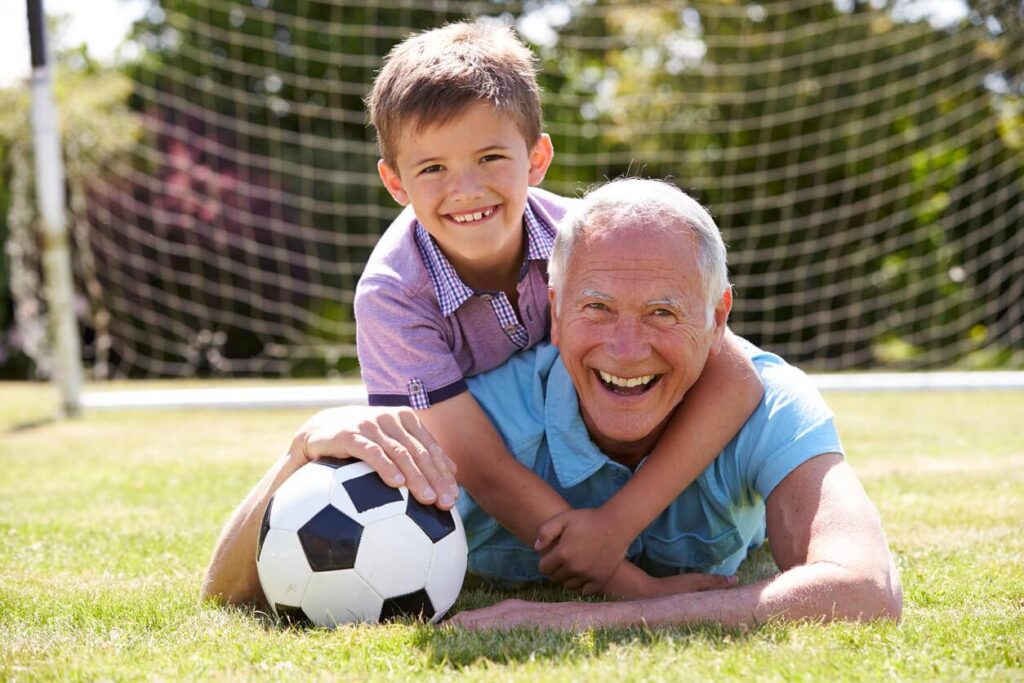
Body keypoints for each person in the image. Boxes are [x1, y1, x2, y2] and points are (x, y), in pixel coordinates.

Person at [202, 178, 902, 629]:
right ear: (555, 310)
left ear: (719, 315)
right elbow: (226, 593)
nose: (627, 349)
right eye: (597, 307)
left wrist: (577, 619)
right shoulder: (487, 420)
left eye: (663, 312)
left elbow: (866, 589)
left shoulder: (771, 404)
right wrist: (302, 449)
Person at [347, 19, 763, 596]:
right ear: (395, 183)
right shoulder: (393, 295)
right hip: (494, 486)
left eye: (490, 157)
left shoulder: (591, 240)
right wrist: (627, 585)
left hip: (602, 463)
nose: (466, 189)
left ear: (537, 158)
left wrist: (618, 525)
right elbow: (479, 465)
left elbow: (734, 372)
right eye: (432, 168)